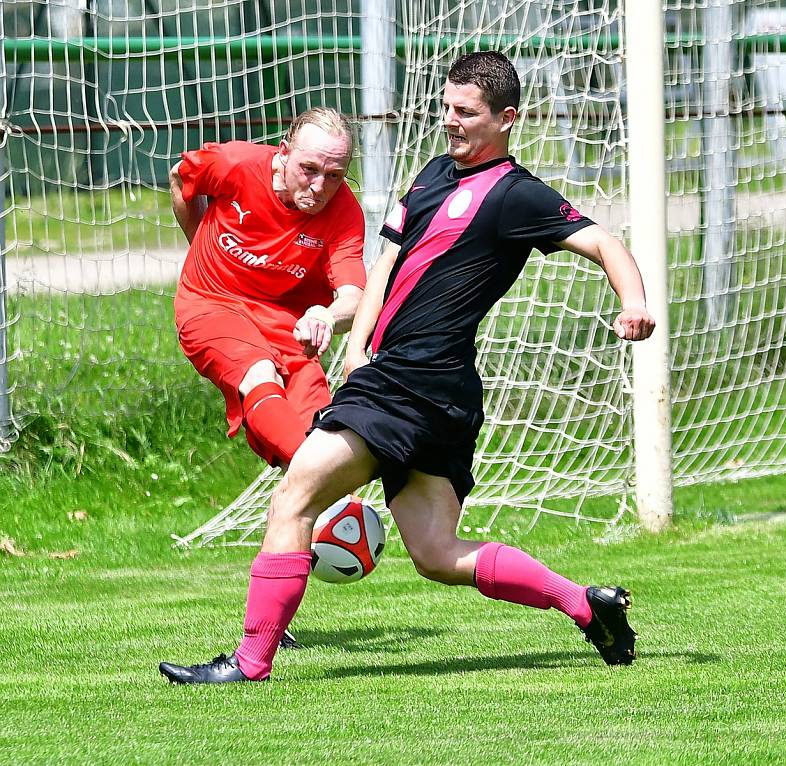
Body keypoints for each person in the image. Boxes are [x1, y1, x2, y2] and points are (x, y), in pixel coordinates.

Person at [159, 51, 656, 685]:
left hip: (412, 381)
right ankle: (585, 605)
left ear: (507, 119)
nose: (450, 121)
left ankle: (248, 664)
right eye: (447, 107)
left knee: (294, 499)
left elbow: (602, 241)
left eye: (466, 113)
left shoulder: (514, 194)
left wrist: (634, 301)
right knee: (438, 554)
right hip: (430, 389)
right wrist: (358, 341)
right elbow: (385, 267)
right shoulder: (430, 177)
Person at [169, 107, 366, 648]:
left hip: (287, 328)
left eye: (335, 174)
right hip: (211, 305)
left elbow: (353, 292)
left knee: (320, 441)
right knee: (261, 381)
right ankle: (340, 506)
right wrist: (198, 246)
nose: (321, 185)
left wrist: (328, 313)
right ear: (282, 153)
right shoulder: (233, 164)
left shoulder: (343, 211)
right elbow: (182, 181)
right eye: (309, 169)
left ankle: (272, 624)